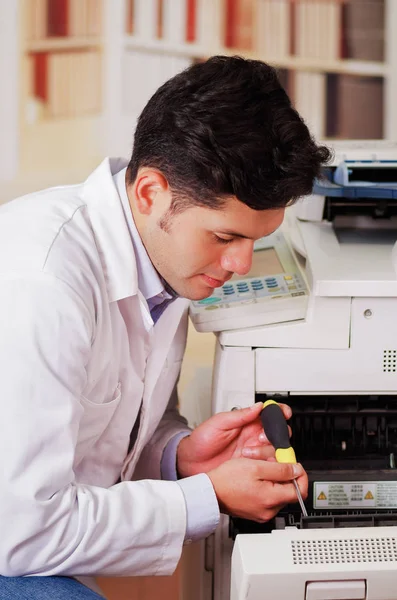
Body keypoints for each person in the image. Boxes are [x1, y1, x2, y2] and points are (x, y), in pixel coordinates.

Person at [0, 55, 330, 599]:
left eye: (258, 239)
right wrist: (208, 497)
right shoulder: (44, 287)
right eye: (225, 238)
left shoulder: (164, 262)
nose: (241, 265)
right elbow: (23, 532)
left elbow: (111, 427)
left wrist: (179, 454)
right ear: (151, 192)